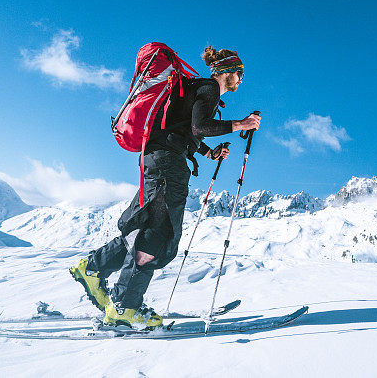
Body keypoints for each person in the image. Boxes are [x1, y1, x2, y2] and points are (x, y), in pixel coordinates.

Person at [69, 45, 261, 329]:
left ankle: (94, 268)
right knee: (160, 233)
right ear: (226, 72)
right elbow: (199, 128)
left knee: (142, 225)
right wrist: (241, 124)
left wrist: (209, 153)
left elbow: (183, 131)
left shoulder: (194, 89)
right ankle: (125, 306)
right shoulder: (209, 88)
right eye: (239, 73)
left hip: (157, 160)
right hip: (167, 166)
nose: (241, 80)